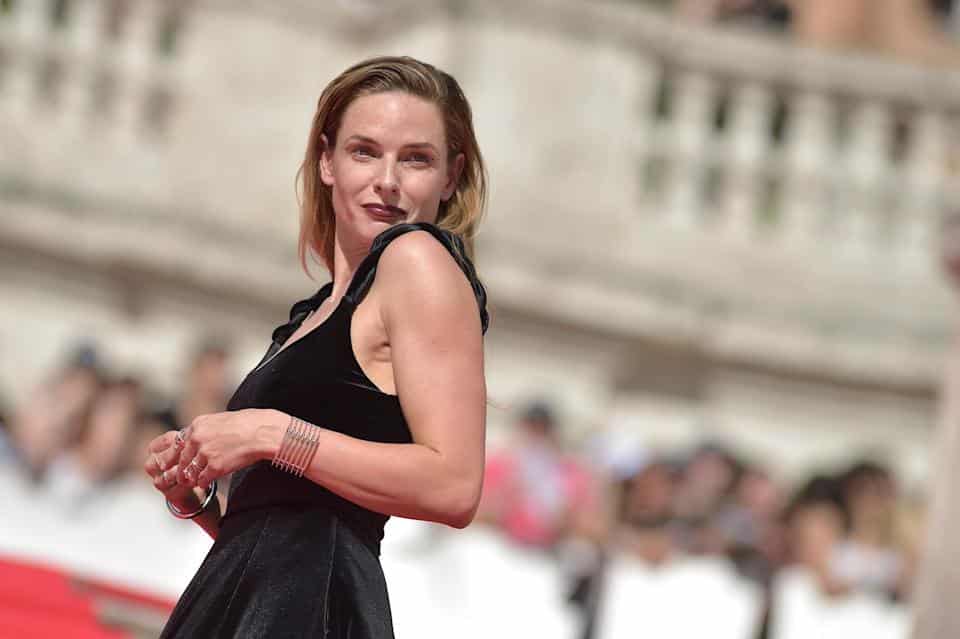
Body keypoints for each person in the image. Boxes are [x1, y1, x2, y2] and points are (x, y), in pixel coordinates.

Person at [143, 55, 490, 638]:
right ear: (327, 160)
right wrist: (197, 499)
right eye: (364, 151)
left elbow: (454, 485)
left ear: (450, 177)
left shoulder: (418, 262)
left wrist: (270, 433)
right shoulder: (316, 309)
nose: (387, 180)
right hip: (243, 599)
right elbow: (284, 533)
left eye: (416, 159)